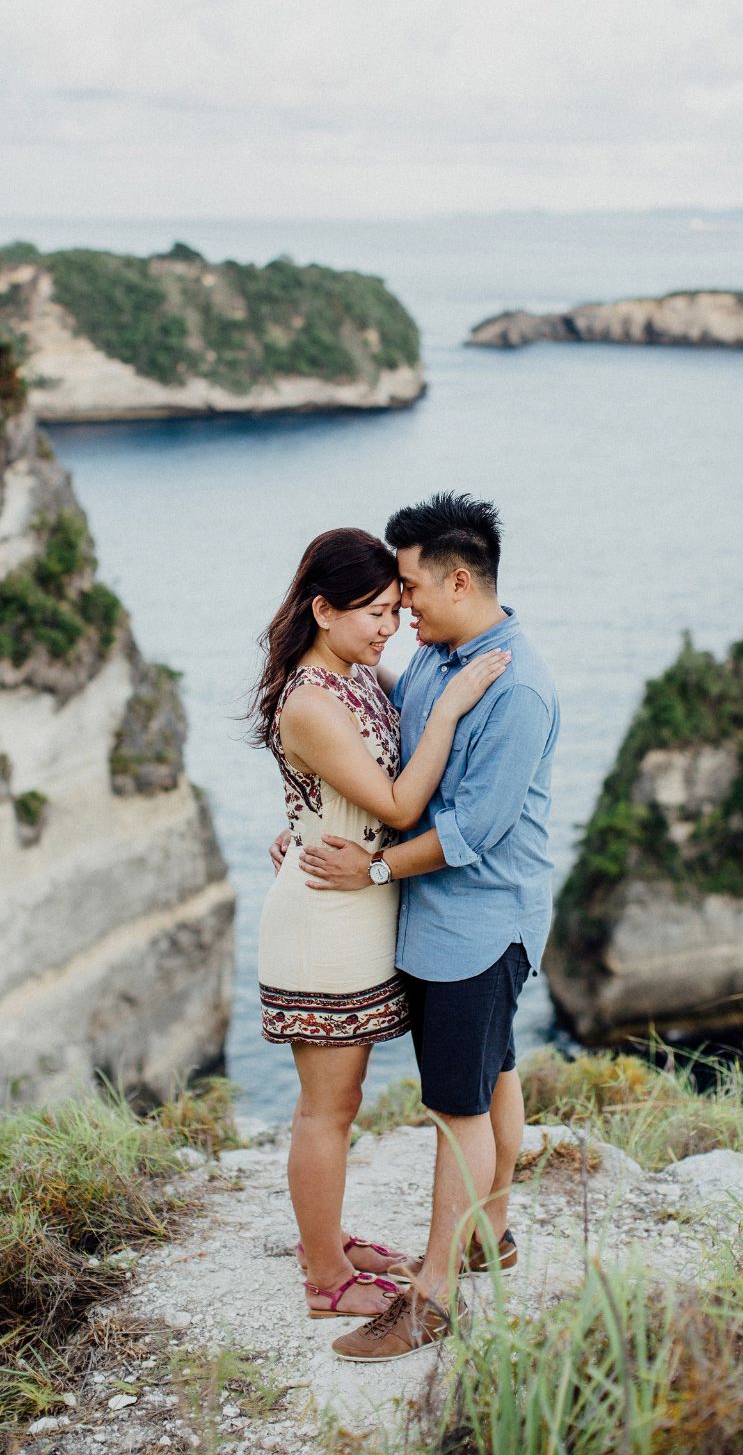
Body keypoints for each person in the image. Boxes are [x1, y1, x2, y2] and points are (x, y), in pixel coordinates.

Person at [291, 493, 560, 1361]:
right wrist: (308, 820)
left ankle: (432, 1296)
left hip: (477, 924)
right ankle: (494, 1234)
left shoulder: (515, 686)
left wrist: (371, 868)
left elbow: (472, 832)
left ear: (455, 578)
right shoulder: (438, 660)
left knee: (456, 1109)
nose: (398, 604)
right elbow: (386, 764)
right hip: (442, 918)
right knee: (494, 1075)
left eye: (407, 586)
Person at [250, 526, 510, 1325]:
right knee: (326, 1106)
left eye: (397, 609)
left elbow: (349, 790)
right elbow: (396, 804)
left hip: (357, 905)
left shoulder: (361, 675)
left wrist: (297, 823)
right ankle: (326, 1278)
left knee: (348, 1095)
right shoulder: (311, 699)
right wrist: (457, 704)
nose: (388, 627)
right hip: (324, 919)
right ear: (323, 610)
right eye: (372, 613)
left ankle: (324, 1242)